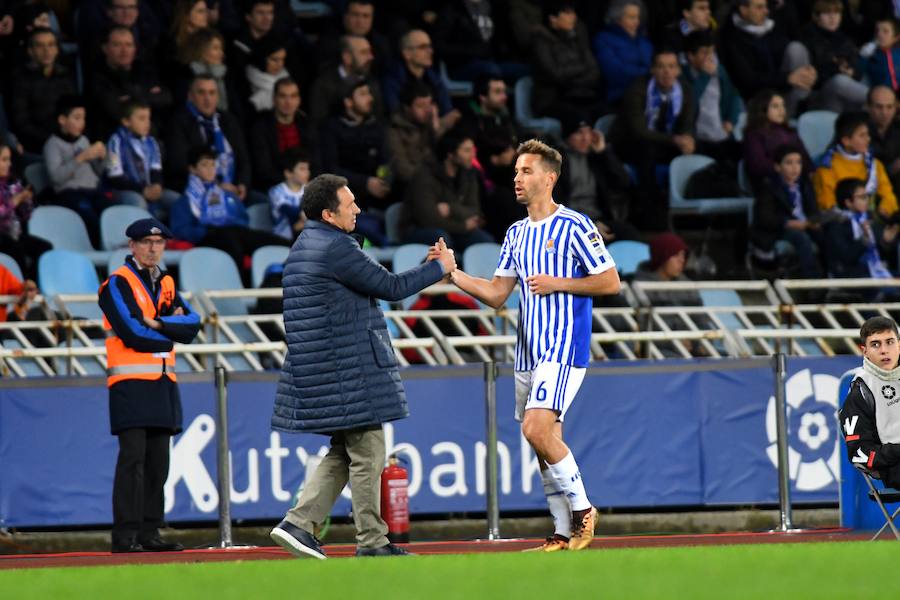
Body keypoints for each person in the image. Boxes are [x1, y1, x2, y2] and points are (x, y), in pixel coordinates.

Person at [269, 173, 456, 559]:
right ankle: (372, 542)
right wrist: (439, 270)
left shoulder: (308, 245)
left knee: (344, 450)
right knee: (369, 450)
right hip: (347, 370)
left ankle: (298, 524)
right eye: (349, 203)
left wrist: (424, 266)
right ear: (328, 213)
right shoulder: (336, 247)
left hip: (326, 368)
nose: (358, 207)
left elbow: (367, 284)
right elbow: (389, 287)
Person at [445, 139, 620, 552]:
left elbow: (610, 281)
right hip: (528, 350)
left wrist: (560, 282)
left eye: (526, 171)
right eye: (516, 172)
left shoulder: (575, 225)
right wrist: (453, 273)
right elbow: (497, 293)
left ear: (550, 177)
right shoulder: (516, 232)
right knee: (541, 439)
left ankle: (584, 511)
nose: (517, 178)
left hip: (563, 347)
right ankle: (561, 533)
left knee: (535, 427)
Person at [97, 217, 201, 553]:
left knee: (159, 463)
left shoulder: (167, 283)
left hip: (162, 382)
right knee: (133, 460)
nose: (153, 248)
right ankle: (125, 535)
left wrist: (157, 322)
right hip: (129, 382)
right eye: (146, 242)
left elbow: (192, 324)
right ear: (132, 246)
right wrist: (168, 335)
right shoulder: (117, 283)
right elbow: (131, 333)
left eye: (158, 243)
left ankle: (149, 532)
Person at [169, 147, 289, 284]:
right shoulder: (185, 201)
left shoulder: (226, 195)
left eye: (213, 164)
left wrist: (229, 224)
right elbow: (180, 230)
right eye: (204, 165)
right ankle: (237, 287)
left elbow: (243, 218)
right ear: (193, 169)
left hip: (236, 232)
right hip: (208, 236)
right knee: (231, 241)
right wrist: (208, 229)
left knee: (274, 241)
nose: (210, 169)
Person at [608, 48, 695, 229]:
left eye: (671, 67)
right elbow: (638, 131)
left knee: (700, 150)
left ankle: (690, 215)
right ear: (653, 70)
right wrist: (675, 140)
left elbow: (688, 122)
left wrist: (688, 139)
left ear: (678, 70)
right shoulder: (638, 89)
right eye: (661, 67)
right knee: (645, 153)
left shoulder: (684, 90)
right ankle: (649, 216)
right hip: (629, 143)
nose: (667, 72)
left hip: (664, 142)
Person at [402, 131, 492, 252]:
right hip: (418, 230)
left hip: (453, 229)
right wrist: (463, 226)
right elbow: (428, 219)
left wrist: (451, 209)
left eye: (472, 150)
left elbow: (475, 212)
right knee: (442, 239)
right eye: (466, 151)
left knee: (485, 241)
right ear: (450, 154)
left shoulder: (469, 173)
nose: (472, 155)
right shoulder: (425, 175)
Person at [164, 75, 252, 196]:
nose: (207, 99)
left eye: (212, 93)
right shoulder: (178, 122)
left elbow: (243, 159)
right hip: (194, 191)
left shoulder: (228, 120)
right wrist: (215, 186)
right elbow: (180, 164)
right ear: (190, 96)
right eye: (201, 93)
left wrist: (242, 184)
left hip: (232, 188)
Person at [718, 0, 815, 110]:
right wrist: (787, 78)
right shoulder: (731, 37)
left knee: (796, 48)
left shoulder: (769, 28)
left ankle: (800, 109)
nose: (766, 11)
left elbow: (787, 50)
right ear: (744, 10)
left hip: (780, 93)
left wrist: (808, 71)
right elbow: (747, 81)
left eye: (766, 7)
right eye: (759, 7)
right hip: (752, 100)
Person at [840, 316, 900, 490]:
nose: (884, 350)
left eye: (889, 342)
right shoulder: (860, 391)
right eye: (875, 344)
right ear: (864, 351)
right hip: (894, 467)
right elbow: (860, 454)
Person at [43, 94, 110, 247]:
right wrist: (80, 158)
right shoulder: (52, 144)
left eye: (83, 118)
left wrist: (103, 157)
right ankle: (97, 257)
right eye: (77, 118)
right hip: (69, 194)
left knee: (111, 213)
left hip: (93, 191)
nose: (82, 123)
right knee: (90, 218)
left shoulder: (84, 141)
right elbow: (56, 178)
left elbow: (99, 172)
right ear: (62, 120)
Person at [750, 144, 823, 277]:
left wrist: (815, 220)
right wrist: (788, 223)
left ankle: (834, 274)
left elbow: (812, 209)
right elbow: (764, 217)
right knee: (801, 238)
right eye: (789, 163)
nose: (795, 168)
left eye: (798, 163)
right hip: (779, 229)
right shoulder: (768, 187)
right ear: (778, 167)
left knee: (828, 234)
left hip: (805, 224)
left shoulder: (805, 184)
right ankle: (812, 280)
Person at [89, 25, 172, 139]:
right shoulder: (97, 75)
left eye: (129, 45)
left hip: (150, 135)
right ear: (105, 48)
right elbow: (114, 109)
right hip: (113, 136)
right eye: (117, 45)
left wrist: (132, 97)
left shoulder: (144, 70)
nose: (124, 50)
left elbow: (166, 98)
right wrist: (147, 95)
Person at [784, 0, 867, 114]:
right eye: (827, 13)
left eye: (837, 13)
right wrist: (837, 69)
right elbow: (812, 74)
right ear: (816, 17)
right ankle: (883, 99)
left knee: (846, 82)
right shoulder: (806, 37)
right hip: (813, 96)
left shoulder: (845, 40)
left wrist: (851, 72)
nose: (833, 18)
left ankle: (883, 101)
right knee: (839, 81)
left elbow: (858, 70)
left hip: (839, 96)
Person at [813, 111, 898, 220]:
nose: (868, 139)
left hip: (873, 220)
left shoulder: (874, 164)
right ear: (846, 141)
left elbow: (888, 195)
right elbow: (827, 205)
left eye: (868, 134)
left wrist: (884, 210)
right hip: (842, 224)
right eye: (862, 135)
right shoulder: (828, 167)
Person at [530, 2, 604, 122]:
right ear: (553, 18)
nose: (573, 17)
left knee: (604, 113)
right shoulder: (540, 39)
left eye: (573, 13)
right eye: (567, 13)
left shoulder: (577, 35)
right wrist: (582, 68)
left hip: (579, 94)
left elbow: (594, 69)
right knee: (580, 118)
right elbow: (556, 74)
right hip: (552, 99)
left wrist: (576, 75)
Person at [104, 100, 180, 217]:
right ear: (126, 121)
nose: (147, 123)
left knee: (180, 201)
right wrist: (143, 190)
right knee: (138, 202)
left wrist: (157, 186)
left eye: (148, 118)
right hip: (123, 190)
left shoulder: (151, 142)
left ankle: (177, 234)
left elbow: (156, 169)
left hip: (148, 189)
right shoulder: (115, 142)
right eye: (141, 118)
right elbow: (115, 178)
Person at [10, 27, 76, 154]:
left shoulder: (64, 76)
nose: (47, 51)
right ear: (30, 51)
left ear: (57, 49)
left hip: (68, 140)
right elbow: (21, 123)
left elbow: (76, 111)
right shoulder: (20, 80)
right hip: (39, 145)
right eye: (40, 46)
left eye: (51, 45)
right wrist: (54, 140)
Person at [823, 177, 898, 279]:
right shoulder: (836, 224)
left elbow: (881, 254)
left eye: (867, 196)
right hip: (849, 274)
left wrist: (887, 242)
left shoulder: (869, 218)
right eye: (862, 197)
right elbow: (847, 258)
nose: (867, 200)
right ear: (848, 202)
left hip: (873, 269)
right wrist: (864, 239)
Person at [249, 76, 312, 191]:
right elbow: (263, 169)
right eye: (283, 96)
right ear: (274, 99)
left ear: (299, 100)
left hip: (306, 186)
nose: (288, 102)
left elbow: (316, 162)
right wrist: (293, 181)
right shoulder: (261, 126)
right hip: (272, 187)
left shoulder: (307, 124)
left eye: (293, 96)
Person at [308, 35, 385, 126]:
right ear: (347, 58)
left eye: (370, 52)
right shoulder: (324, 85)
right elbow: (318, 124)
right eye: (364, 52)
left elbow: (379, 120)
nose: (371, 57)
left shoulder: (372, 82)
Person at [0, 143, 50, 280]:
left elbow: (25, 216)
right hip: (2, 236)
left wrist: (26, 201)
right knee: (16, 248)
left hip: (13, 233)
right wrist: (14, 202)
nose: (8, 164)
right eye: (4, 160)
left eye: (9, 160)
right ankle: (23, 286)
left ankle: (33, 283)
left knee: (45, 248)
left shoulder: (12, 182)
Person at [742, 90, 813, 183]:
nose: (781, 110)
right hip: (770, 185)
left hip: (797, 182)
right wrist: (784, 168)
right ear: (762, 109)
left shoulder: (791, 132)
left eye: (783, 105)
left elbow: (805, 159)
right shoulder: (754, 135)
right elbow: (757, 166)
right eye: (775, 106)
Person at [592, 0, 653, 107]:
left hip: (648, 94)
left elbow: (655, 67)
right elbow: (615, 72)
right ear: (617, 19)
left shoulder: (644, 42)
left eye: (638, 17)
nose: (637, 22)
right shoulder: (603, 39)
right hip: (620, 96)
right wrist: (647, 74)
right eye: (631, 17)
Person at [269, 147, 309, 240]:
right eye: (302, 169)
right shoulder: (276, 191)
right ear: (288, 173)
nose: (307, 172)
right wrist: (303, 214)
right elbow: (287, 210)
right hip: (282, 237)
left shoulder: (308, 189)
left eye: (308, 168)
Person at [866, 86, 900, 193]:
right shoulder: (856, 129)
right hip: (868, 189)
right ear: (868, 107)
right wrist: (890, 169)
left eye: (889, 107)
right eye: (879, 107)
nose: (884, 113)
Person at [862, 16, 900, 92]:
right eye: (877, 31)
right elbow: (859, 73)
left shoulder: (898, 53)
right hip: (879, 94)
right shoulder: (871, 54)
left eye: (885, 31)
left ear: (896, 37)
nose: (879, 34)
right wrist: (863, 56)